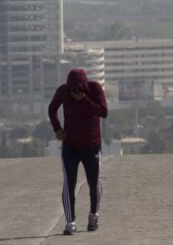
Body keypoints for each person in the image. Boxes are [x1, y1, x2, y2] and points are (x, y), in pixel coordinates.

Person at [48, 68, 108, 235]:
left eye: (76, 89)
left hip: (92, 145)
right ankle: (70, 221)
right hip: (70, 146)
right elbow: (52, 108)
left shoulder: (94, 89)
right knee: (69, 184)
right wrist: (57, 128)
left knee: (94, 183)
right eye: (71, 89)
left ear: (83, 87)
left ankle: (93, 214)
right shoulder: (63, 91)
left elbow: (104, 112)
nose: (73, 93)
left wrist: (85, 100)